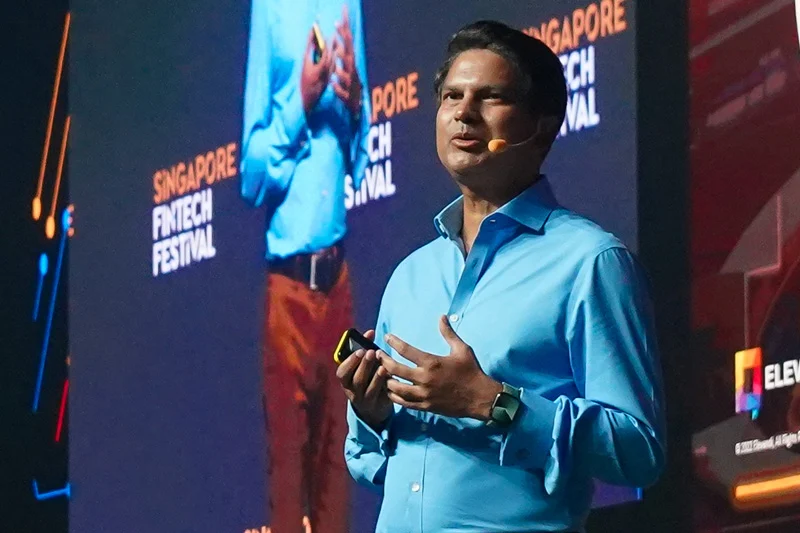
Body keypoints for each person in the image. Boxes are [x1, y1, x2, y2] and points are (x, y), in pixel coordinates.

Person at [337, 20, 665, 533]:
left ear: (541, 127)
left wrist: (495, 403)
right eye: (452, 96)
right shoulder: (410, 276)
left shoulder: (590, 261)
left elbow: (638, 451)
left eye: (490, 97)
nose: (464, 113)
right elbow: (369, 463)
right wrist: (371, 412)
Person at [239, 1, 371, 531]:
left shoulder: (348, 6)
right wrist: (301, 101)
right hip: (288, 295)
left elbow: (360, 150)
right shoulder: (269, 10)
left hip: (338, 287)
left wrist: (356, 103)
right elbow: (251, 175)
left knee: (339, 468)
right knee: (288, 480)